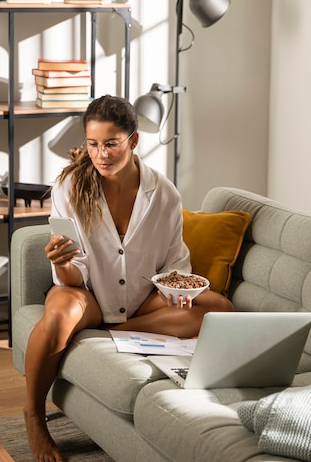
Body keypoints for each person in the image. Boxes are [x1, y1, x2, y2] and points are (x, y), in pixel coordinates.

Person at [24, 94, 233, 462]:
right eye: (93, 144)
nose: (101, 154)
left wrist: (177, 289)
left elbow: (174, 263)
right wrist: (60, 262)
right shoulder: (69, 188)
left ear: (133, 141)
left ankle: (116, 333)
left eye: (111, 144)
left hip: (141, 298)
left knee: (219, 308)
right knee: (58, 315)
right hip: (85, 293)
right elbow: (73, 277)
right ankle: (34, 417)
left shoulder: (163, 193)